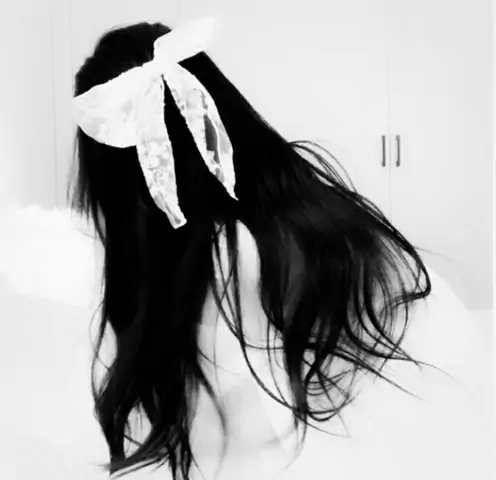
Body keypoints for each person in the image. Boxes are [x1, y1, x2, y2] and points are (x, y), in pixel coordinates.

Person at [0, 16, 491, 480]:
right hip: (457, 401)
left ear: (114, 176)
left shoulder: (226, 257)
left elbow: (221, 442)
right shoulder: (297, 196)